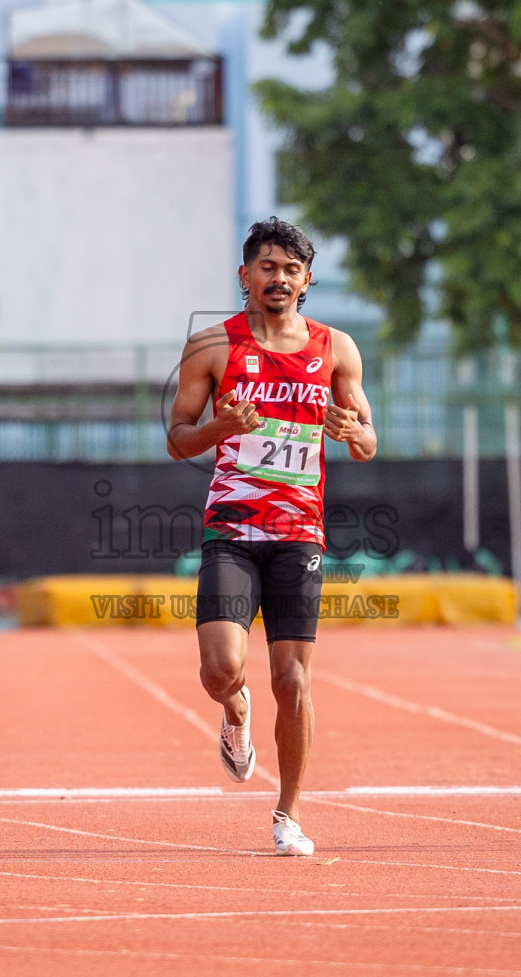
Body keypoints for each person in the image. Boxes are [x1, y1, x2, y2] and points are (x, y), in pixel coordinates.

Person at [167, 217, 377, 857]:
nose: (278, 278)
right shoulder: (210, 348)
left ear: (307, 280)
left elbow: (368, 441)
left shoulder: (336, 348)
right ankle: (235, 712)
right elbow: (178, 438)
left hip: (299, 532)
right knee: (220, 668)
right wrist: (219, 427)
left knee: (294, 680)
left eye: (291, 269)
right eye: (267, 267)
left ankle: (287, 815)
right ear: (245, 276)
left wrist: (352, 432)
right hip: (231, 529)